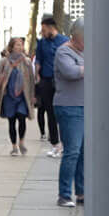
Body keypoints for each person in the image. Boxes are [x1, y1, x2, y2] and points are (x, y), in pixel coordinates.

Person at [53, 20, 85, 207]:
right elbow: (71, 72)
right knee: (72, 151)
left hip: (85, 106)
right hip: (69, 107)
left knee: (84, 153)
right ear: (76, 37)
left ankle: (82, 192)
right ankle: (64, 194)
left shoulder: (86, 51)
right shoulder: (63, 51)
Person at [0, 37, 35, 155]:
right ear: (11, 47)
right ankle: (14, 146)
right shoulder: (4, 61)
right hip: (9, 96)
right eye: (17, 45)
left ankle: (21, 141)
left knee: (22, 117)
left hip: (22, 95)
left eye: (21, 45)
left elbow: (31, 79)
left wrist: (32, 95)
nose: (19, 47)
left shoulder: (26, 62)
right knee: (11, 121)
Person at [34, 14, 69, 156]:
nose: (42, 33)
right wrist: (37, 75)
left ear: (50, 28)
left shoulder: (65, 41)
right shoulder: (42, 43)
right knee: (50, 112)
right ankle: (55, 143)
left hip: (61, 81)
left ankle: (65, 142)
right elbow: (38, 60)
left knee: (63, 112)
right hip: (47, 81)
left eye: (43, 30)